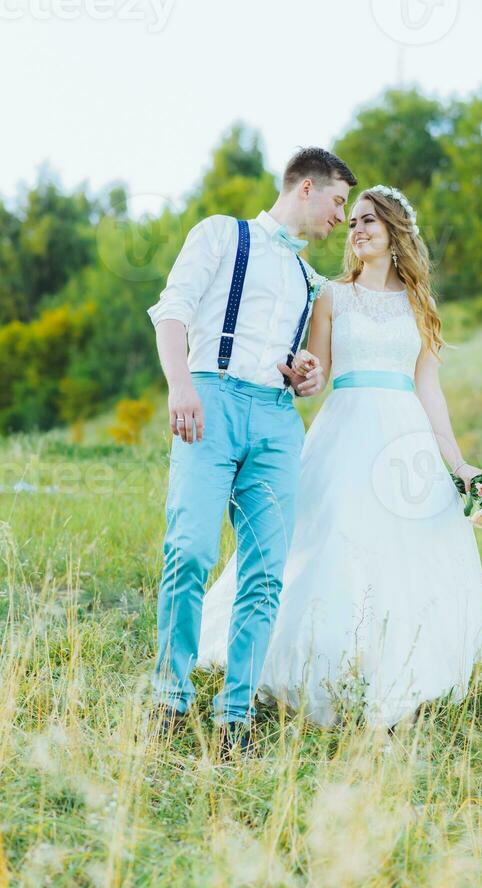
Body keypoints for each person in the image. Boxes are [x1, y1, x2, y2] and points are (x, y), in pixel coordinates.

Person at [197, 185, 482, 733]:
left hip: (405, 439)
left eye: (368, 222)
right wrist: (304, 376)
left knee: (407, 553)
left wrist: (458, 464)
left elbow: (430, 391)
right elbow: (317, 375)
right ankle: (311, 666)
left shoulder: (419, 304)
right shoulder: (330, 294)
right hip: (345, 431)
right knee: (328, 539)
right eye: (351, 221)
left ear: (395, 232)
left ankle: (397, 670)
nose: (356, 230)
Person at [146, 147, 357, 755]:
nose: (340, 217)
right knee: (188, 549)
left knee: (266, 571)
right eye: (338, 201)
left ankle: (233, 713)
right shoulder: (220, 234)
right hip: (208, 399)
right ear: (308, 188)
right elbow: (171, 313)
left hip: (275, 419)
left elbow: (304, 369)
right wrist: (181, 385)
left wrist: (306, 374)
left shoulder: (310, 280)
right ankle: (170, 697)